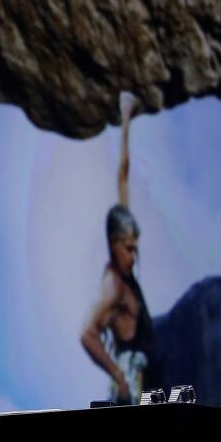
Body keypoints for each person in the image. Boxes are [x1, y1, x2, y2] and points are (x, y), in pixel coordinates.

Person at [80, 93, 162, 404]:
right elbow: (87, 333)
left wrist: (126, 118)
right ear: (115, 244)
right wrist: (117, 375)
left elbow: (123, 175)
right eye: (129, 248)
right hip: (133, 383)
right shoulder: (112, 286)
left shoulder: (124, 263)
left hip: (149, 377)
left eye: (135, 246)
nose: (134, 254)